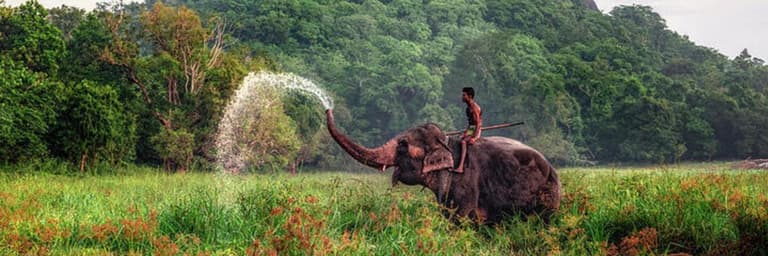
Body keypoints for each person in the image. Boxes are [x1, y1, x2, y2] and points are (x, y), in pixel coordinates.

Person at [456, 87, 482, 173]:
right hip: (472, 128)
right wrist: (465, 133)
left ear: (470, 96)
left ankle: (460, 167)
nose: (462, 97)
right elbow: (471, 125)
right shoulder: (468, 108)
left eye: (464, 95)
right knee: (460, 138)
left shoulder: (475, 108)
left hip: (476, 130)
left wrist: (474, 138)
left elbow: (478, 124)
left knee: (464, 142)